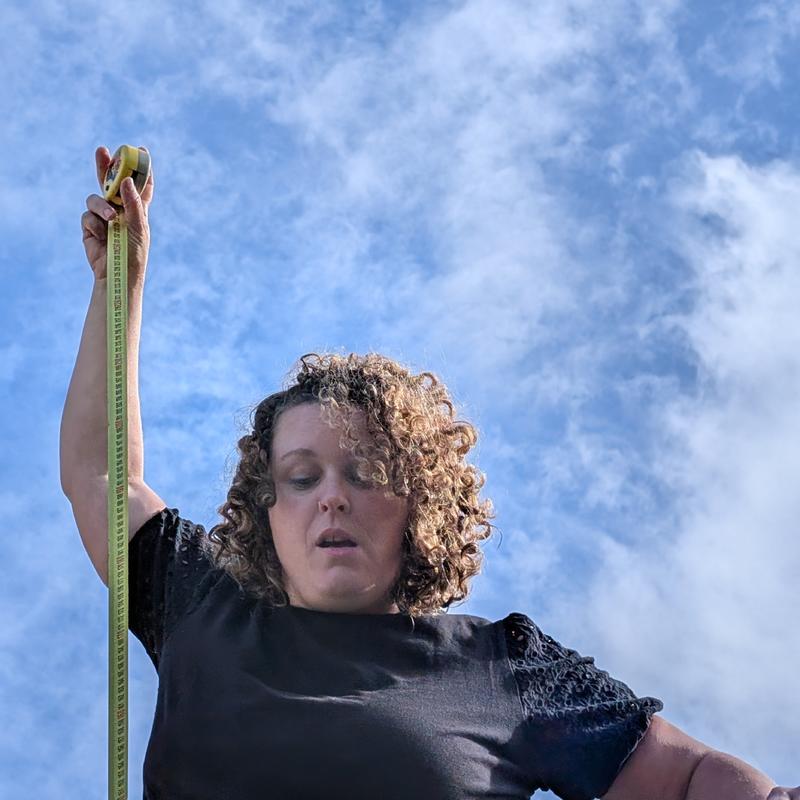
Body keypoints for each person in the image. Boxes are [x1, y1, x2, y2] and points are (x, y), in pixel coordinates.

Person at [61, 147, 789, 800]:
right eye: (302, 477)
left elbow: (685, 780)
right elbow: (101, 473)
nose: (334, 497)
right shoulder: (201, 605)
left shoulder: (505, 669)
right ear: (266, 511)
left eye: (367, 472)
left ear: (421, 505)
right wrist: (116, 286)